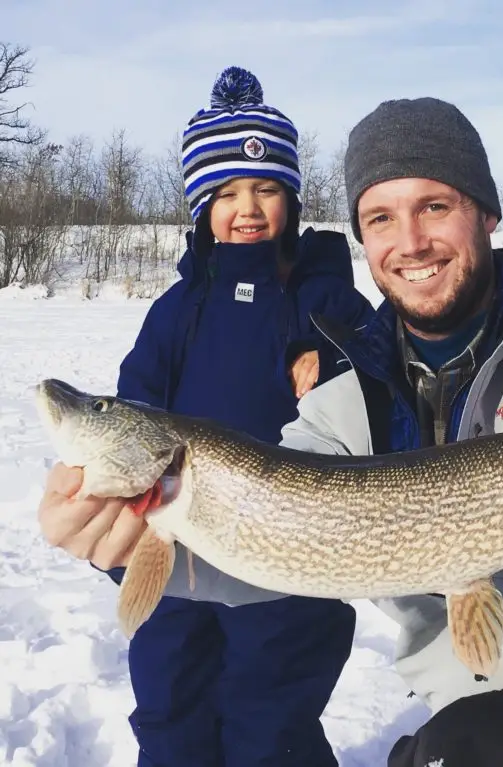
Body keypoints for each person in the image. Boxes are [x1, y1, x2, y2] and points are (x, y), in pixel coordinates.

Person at [37, 96, 503, 767]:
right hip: (471, 723)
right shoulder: (343, 408)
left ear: (485, 213)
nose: (410, 241)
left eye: (434, 206)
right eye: (380, 218)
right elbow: (264, 557)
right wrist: (128, 548)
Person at [37, 67, 375, 767]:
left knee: (272, 722)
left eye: (265, 188)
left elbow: (389, 390)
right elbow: (134, 406)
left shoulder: (330, 302)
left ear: (291, 195)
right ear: (199, 203)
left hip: (291, 561)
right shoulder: (177, 309)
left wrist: (338, 371)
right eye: (224, 192)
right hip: (178, 555)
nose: (246, 207)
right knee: (169, 710)